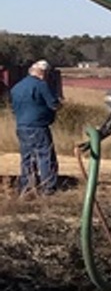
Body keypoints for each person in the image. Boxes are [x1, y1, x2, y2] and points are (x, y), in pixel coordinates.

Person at [12, 60, 61, 197]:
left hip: (21, 126)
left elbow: (14, 109)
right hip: (38, 126)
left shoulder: (17, 87)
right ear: (42, 72)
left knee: (27, 158)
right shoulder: (41, 85)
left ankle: (26, 187)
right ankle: (48, 188)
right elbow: (53, 104)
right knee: (45, 156)